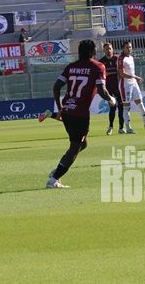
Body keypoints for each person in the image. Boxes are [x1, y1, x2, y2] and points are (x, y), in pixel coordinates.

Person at [40, 39, 116, 189]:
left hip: (67, 110)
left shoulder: (71, 67)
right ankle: (54, 179)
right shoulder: (98, 66)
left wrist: (60, 107)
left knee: (83, 144)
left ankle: (58, 170)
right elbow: (102, 91)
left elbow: (56, 87)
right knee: (75, 147)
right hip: (80, 114)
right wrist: (111, 99)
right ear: (92, 51)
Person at [119, 41, 145, 133]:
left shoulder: (131, 58)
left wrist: (135, 78)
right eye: (127, 47)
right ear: (123, 48)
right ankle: (128, 128)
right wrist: (135, 77)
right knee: (126, 106)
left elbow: (131, 72)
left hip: (133, 83)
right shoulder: (121, 59)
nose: (129, 49)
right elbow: (122, 74)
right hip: (125, 85)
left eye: (130, 47)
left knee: (141, 104)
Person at [99, 42, 125, 136]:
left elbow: (122, 72)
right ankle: (110, 127)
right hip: (108, 89)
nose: (108, 50)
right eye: (106, 49)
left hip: (119, 88)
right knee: (112, 108)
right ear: (104, 50)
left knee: (121, 107)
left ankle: (121, 128)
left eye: (110, 48)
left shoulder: (117, 59)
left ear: (112, 49)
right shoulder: (101, 62)